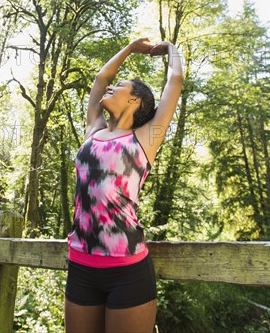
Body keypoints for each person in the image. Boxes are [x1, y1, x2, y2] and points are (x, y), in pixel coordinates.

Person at [65, 37, 183, 333]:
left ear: (135, 100)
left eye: (119, 87)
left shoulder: (145, 139)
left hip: (127, 272)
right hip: (81, 265)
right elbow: (100, 77)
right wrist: (130, 48)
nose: (109, 87)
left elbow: (175, 80)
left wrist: (170, 49)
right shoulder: (94, 128)